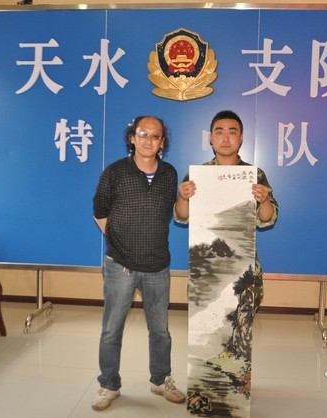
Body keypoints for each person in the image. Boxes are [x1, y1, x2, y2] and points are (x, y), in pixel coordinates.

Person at [91, 115, 185, 411]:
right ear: (132, 138)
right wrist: (119, 242)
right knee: (111, 330)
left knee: (161, 331)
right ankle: (109, 384)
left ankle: (161, 380)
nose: (148, 140)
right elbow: (99, 210)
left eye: (155, 136)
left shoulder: (170, 174)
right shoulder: (115, 172)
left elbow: (173, 212)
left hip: (158, 265)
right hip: (120, 265)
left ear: (162, 142)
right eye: (143, 134)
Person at [174, 109, 278, 313]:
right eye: (219, 132)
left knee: (241, 322)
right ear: (211, 138)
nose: (225, 138)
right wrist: (183, 198)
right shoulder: (199, 174)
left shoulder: (254, 175)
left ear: (241, 138)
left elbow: (267, 219)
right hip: (207, 262)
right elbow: (182, 216)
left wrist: (264, 200)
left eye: (232, 132)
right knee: (207, 322)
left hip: (242, 262)